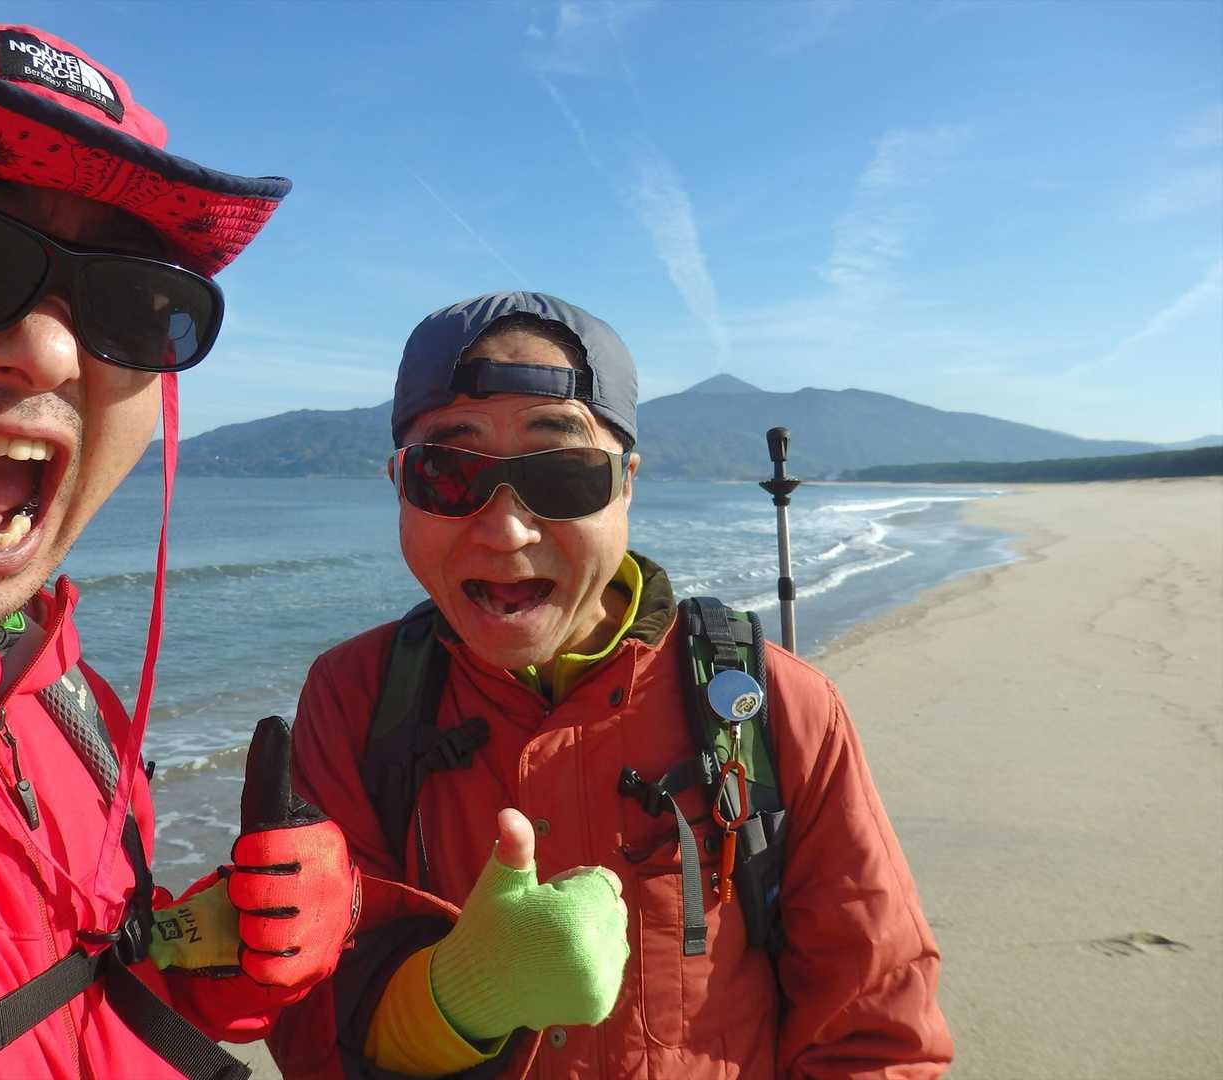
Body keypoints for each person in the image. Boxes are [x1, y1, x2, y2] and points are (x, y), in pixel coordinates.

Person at [0, 3, 358, 1078]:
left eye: (135, 305)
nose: (50, 354)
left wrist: (226, 952)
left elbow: (77, 981)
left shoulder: (56, 693)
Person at [266, 292, 955, 1078]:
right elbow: (309, 1018)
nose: (507, 530)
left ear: (627, 485)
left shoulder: (776, 704)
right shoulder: (356, 699)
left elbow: (874, 1031)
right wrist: (454, 998)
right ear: (400, 486)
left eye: (563, 476)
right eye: (448, 474)